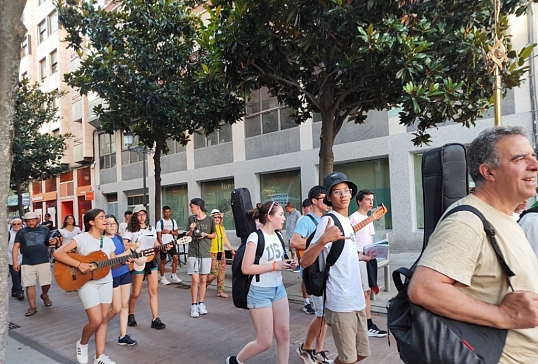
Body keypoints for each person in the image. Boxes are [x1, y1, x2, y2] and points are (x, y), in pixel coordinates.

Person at [408, 126, 538, 363]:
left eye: (532, 156)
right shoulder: (467, 221)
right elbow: (424, 289)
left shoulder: (504, 216)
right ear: (488, 172)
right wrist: (502, 315)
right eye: (519, 159)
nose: (534, 165)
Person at [301, 172, 371, 364]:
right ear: (329, 198)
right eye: (337, 191)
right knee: (348, 358)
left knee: (363, 352)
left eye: (346, 190)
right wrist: (323, 239)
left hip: (356, 299)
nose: (343, 195)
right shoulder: (327, 221)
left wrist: (362, 257)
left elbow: (342, 254)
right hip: (340, 299)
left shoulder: (347, 222)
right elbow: (305, 262)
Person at [226, 201, 298, 364]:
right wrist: (275, 266)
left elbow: (279, 260)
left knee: (284, 334)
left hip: (278, 289)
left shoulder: (278, 236)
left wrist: (288, 263)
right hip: (259, 291)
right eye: (280, 215)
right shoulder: (255, 237)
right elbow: (246, 268)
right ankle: (236, 360)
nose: (284, 218)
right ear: (270, 217)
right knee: (265, 342)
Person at [54, 209, 126, 364]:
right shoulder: (81, 238)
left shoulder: (108, 240)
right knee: (96, 320)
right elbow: (58, 254)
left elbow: (113, 265)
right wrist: (79, 264)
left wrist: (125, 260)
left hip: (106, 282)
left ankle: (100, 357)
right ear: (91, 222)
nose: (105, 220)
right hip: (87, 283)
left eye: (105, 217)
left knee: (104, 319)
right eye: (101, 217)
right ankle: (82, 343)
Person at [292, 186, 337, 364]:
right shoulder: (306, 220)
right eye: (323, 198)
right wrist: (319, 242)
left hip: (325, 271)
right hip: (313, 272)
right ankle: (306, 348)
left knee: (324, 315)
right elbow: (295, 241)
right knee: (321, 314)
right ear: (314, 201)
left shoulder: (328, 220)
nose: (327, 202)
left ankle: (316, 351)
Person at [348, 189, 387, 338]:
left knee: (368, 291)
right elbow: (351, 238)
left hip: (369, 257)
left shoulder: (369, 218)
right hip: (359, 258)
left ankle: (365, 323)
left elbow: (368, 240)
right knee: (364, 292)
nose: (371, 202)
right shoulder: (354, 218)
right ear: (359, 201)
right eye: (367, 199)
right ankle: (367, 324)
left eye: (372, 200)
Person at [123, 205, 166, 330]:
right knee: (136, 292)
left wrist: (162, 246)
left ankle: (155, 318)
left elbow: (155, 243)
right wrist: (136, 247)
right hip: (138, 260)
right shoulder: (130, 229)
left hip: (151, 259)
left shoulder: (151, 228)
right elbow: (125, 244)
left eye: (144, 214)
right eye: (139, 214)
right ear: (135, 216)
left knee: (153, 290)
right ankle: (130, 314)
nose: (142, 217)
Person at [12, 211, 55, 317]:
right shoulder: (21, 232)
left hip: (43, 261)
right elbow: (16, 247)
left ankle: (44, 295)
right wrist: (15, 262)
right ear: (25, 222)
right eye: (28, 221)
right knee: (29, 284)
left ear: (37, 220)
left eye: (32, 220)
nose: (30, 223)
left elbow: (49, 242)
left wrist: (54, 241)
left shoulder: (45, 229)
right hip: (27, 262)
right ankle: (32, 307)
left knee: (46, 283)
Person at [105, 214, 138, 346]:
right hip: (112, 275)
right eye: (108, 223)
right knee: (116, 308)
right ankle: (99, 325)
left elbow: (124, 255)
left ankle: (123, 335)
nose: (112, 226)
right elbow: (112, 260)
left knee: (124, 305)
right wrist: (129, 252)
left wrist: (131, 256)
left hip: (124, 273)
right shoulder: (103, 241)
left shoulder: (118, 237)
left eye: (114, 223)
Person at [185, 198, 216, 317]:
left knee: (203, 280)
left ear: (198, 207)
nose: (190, 209)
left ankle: (201, 303)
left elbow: (214, 235)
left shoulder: (210, 220)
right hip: (193, 252)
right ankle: (193, 305)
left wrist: (206, 235)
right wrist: (191, 229)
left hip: (205, 252)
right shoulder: (190, 219)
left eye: (192, 206)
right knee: (195, 280)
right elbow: (187, 236)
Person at [206, 209, 235, 298]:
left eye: (219, 217)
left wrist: (231, 249)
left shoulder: (222, 228)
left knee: (221, 272)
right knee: (214, 272)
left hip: (220, 252)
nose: (217, 218)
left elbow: (225, 239)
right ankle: (204, 284)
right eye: (215, 217)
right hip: (212, 252)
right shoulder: (210, 228)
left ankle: (220, 291)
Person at [156, 205, 181, 285]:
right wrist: (161, 245)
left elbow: (176, 233)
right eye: (166, 212)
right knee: (163, 260)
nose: (167, 214)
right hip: (164, 243)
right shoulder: (160, 222)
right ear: (163, 213)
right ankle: (162, 277)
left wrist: (169, 232)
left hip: (171, 242)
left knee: (175, 257)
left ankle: (174, 275)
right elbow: (159, 235)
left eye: (169, 212)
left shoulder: (173, 221)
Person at [8, 218, 25, 301]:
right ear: (12, 225)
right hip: (11, 259)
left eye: (18, 224)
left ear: (21, 224)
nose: (16, 226)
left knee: (19, 275)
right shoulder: (9, 234)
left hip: (23, 259)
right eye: (14, 224)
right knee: (15, 275)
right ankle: (19, 291)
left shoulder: (24, 233)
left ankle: (14, 290)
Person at [285, 202, 302, 271]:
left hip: (294, 236)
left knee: (295, 252)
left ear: (289, 207)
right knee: (292, 252)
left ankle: (297, 265)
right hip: (289, 236)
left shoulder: (297, 213)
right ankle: (292, 264)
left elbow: (300, 223)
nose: (286, 210)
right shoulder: (289, 214)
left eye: (286, 208)